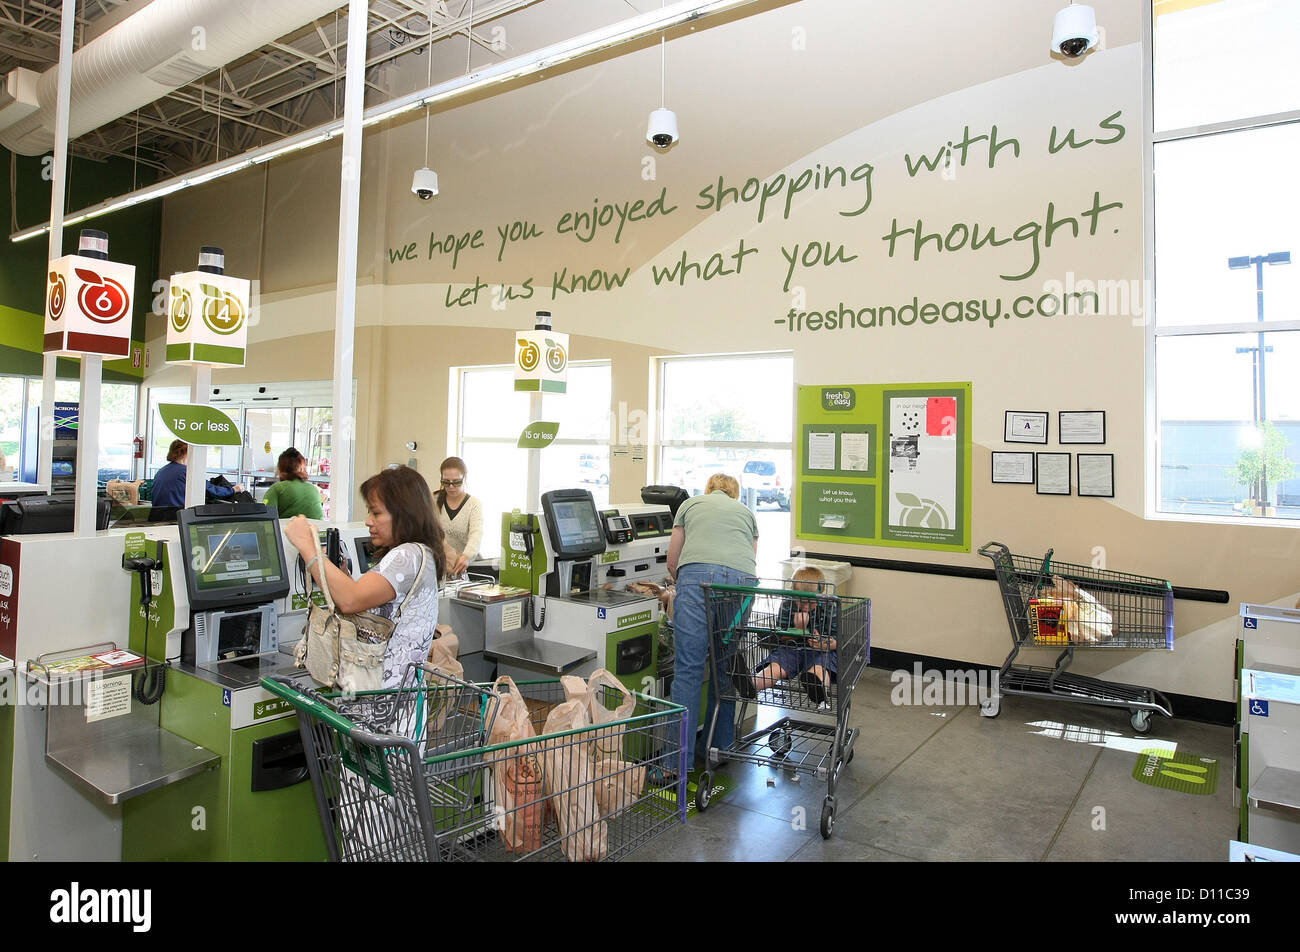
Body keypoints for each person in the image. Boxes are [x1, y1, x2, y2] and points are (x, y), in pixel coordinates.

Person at [284, 464, 446, 689]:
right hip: (394, 704)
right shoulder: (421, 553)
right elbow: (365, 603)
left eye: (377, 513)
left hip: (385, 710)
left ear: (405, 514)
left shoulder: (407, 555)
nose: (369, 521)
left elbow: (350, 600)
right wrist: (340, 575)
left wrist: (306, 545)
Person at [666, 472, 759, 769]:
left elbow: (672, 558)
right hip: (740, 585)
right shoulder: (747, 513)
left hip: (696, 581)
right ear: (734, 494)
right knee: (725, 667)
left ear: (708, 489)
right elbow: (748, 560)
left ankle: (675, 764)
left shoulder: (690, 505)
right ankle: (720, 750)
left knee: (689, 670)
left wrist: (684, 585)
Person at [740, 566, 839, 704]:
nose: (805, 606)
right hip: (792, 648)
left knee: (820, 667)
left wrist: (825, 643)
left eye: (810, 602)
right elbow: (780, 637)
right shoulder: (788, 604)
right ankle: (751, 684)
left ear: (820, 593)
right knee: (776, 666)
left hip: (821, 651)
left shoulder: (830, 607)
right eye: (800, 601)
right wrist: (797, 631)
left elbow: (838, 640)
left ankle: (818, 687)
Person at [150, 440, 243, 508]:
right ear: (185, 453)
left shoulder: (161, 471)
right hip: (175, 517)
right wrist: (233, 489)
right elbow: (211, 490)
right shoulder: (187, 472)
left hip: (158, 516)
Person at [434, 456, 483, 578]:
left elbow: (476, 534)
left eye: (456, 482)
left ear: (464, 478)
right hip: (440, 566)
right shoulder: (434, 500)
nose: (451, 487)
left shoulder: (473, 504)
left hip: (465, 567)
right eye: (446, 482)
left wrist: (466, 556)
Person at [261, 447, 323, 519]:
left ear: (280, 468)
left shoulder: (277, 489)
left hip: (290, 529)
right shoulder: (313, 489)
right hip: (318, 529)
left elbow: (266, 517)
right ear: (302, 468)